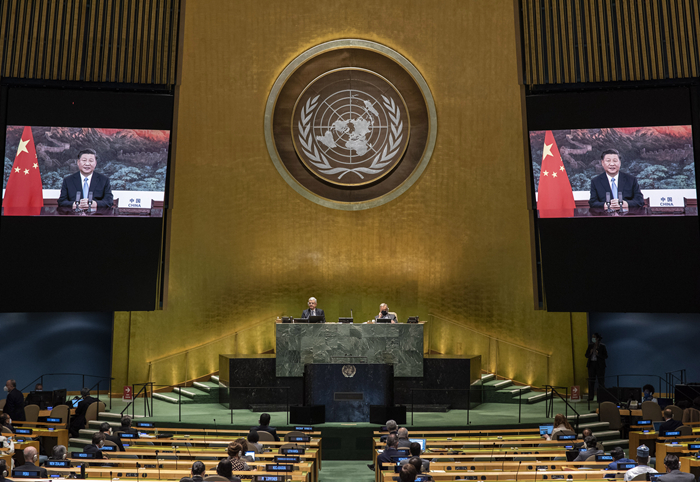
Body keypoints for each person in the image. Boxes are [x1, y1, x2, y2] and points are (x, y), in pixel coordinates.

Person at [585, 333, 608, 401]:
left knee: (601, 382)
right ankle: (590, 397)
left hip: (600, 366)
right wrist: (590, 353)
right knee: (591, 381)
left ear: (597, 338)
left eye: (594, 337)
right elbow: (586, 355)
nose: (593, 338)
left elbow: (606, 356)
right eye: (592, 337)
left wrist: (599, 354)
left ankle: (601, 397)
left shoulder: (602, 346)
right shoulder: (590, 346)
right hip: (591, 365)